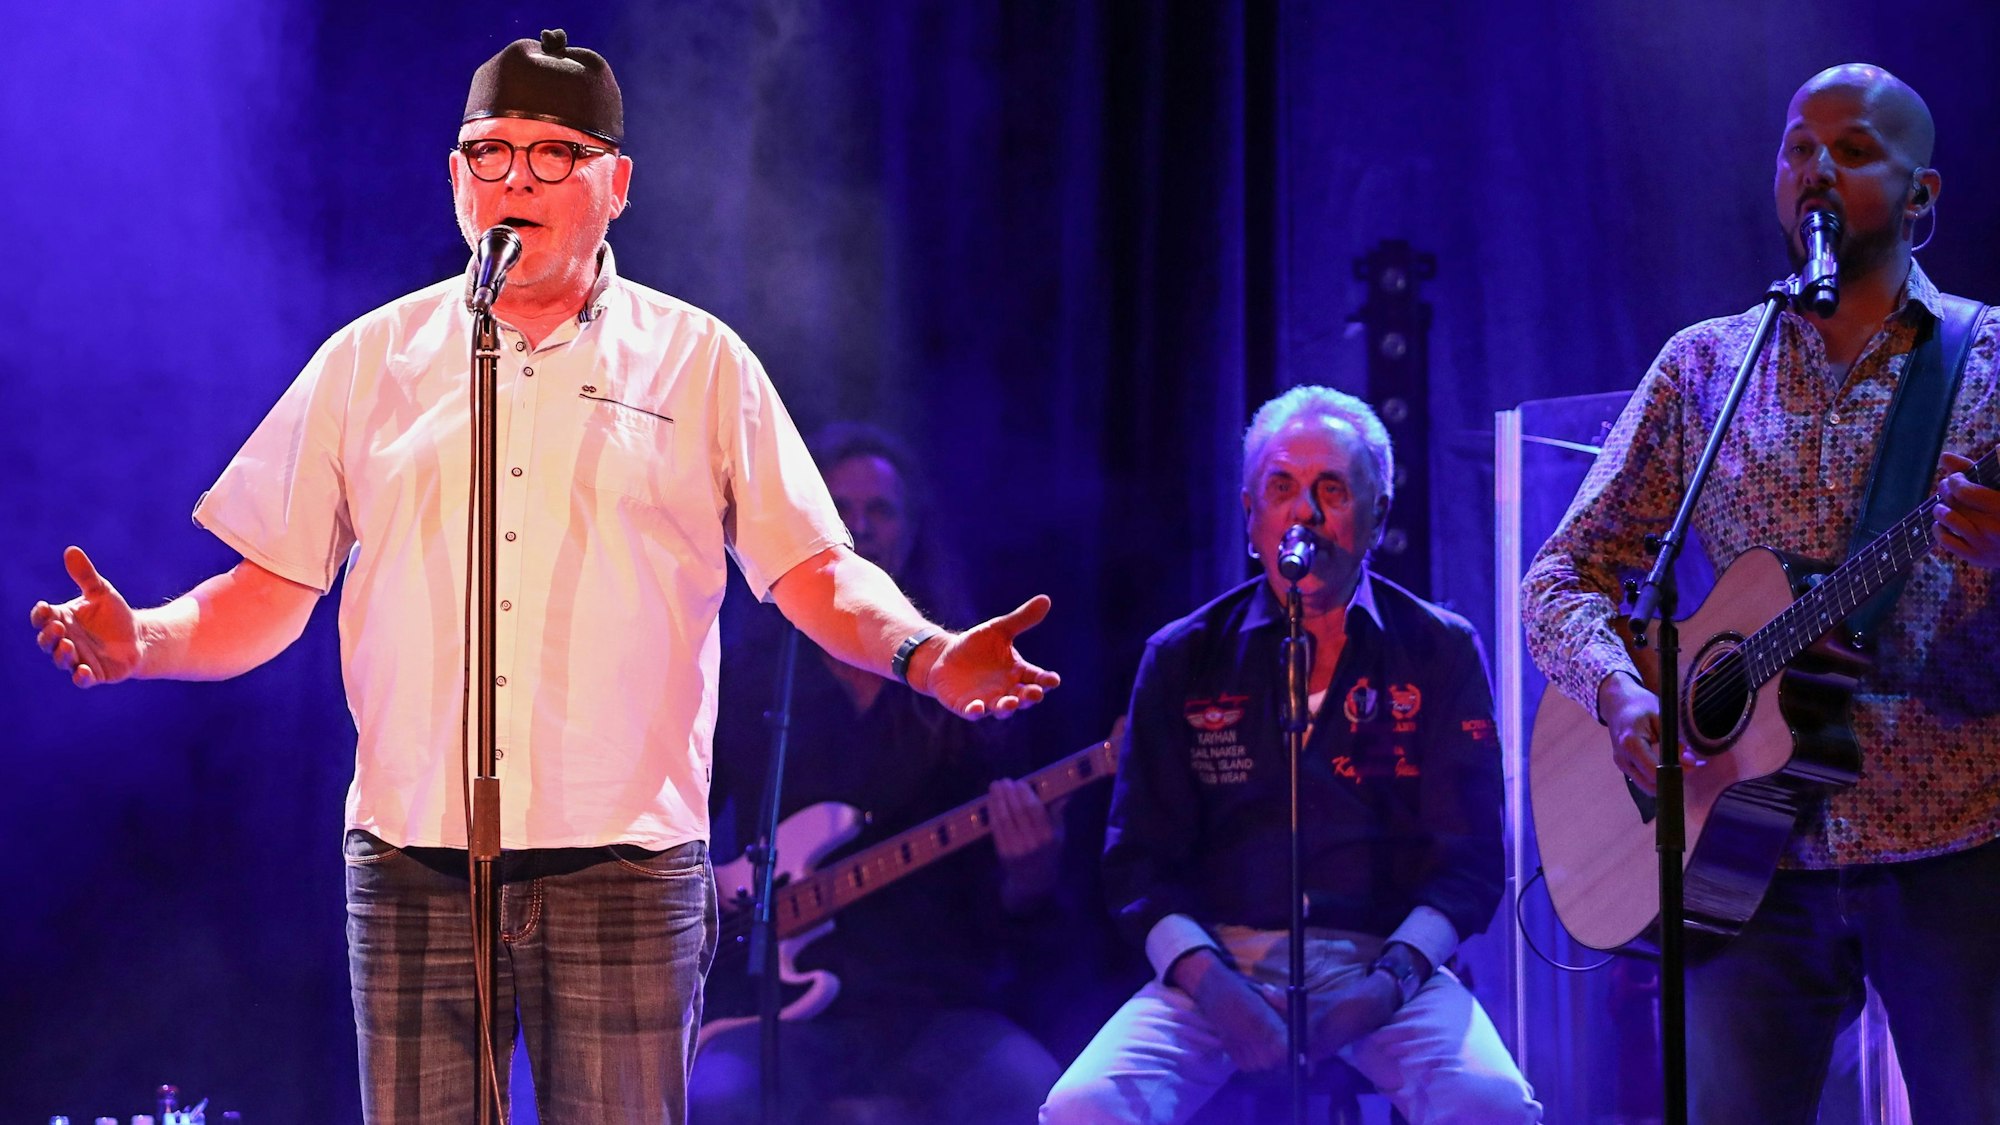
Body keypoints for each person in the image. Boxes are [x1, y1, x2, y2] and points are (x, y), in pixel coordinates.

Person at [27, 31, 1057, 1125]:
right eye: (488, 152)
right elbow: (268, 591)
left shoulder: (697, 362)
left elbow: (812, 568)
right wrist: (147, 638)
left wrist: (923, 652)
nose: (513, 177)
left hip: (624, 864)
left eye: (551, 154)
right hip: (413, 860)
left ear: (615, 183)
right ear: (454, 177)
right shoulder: (368, 363)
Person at [1522, 63, 2000, 1124]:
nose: (1814, 169)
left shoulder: (1991, 364)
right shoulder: (1706, 367)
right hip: (1740, 853)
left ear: (1920, 197)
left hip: (1954, 850)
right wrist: (1616, 691)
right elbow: (1563, 574)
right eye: (1796, 148)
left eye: (1852, 149)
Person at [1042, 386, 1539, 1124]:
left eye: (1331, 488)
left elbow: (1467, 860)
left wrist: (1387, 983)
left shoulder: (1438, 648)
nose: (1304, 511)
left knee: (1490, 1103)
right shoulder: (1183, 657)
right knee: (1083, 1107)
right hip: (1219, 968)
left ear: (1377, 515)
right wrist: (1218, 991)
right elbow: (1137, 862)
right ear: (1252, 518)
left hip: (1384, 962)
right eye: (1281, 487)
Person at [690, 423, 1066, 1124]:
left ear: (913, 528)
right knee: (716, 1097)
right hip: (782, 1015)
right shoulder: (753, 676)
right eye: (840, 510)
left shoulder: (969, 677)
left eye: (881, 510)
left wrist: (1031, 872)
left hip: (935, 1007)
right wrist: (716, 898)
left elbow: (1022, 908)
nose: (860, 528)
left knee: (1033, 1092)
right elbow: (684, 825)